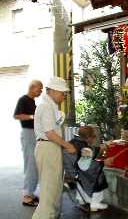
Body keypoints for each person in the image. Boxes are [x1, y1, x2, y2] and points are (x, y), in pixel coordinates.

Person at [32, 77, 76, 219]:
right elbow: (49, 133)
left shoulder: (50, 106)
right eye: (62, 93)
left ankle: (51, 215)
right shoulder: (45, 107)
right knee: (49, 189)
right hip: (47, 147)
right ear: (53, 91)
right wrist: (67, 145)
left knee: (55, 187)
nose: (64, 96)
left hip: (51, 148)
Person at [63, 126, 109, 212]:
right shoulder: (85, 148)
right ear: (88, 138)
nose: (93, 140)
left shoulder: (72, 142)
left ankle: (82, 199)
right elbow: (87, 167)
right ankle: (95, 203)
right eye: (93, 137)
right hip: (78, 174)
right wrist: (103, 162)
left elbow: (83, 160)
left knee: (86, 172)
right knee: (99, 174)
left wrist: (99, 150)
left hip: (69, 173)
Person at [14, 80, 43, 207]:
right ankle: (27, 196)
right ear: (32, 88)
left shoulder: (32, 101)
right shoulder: (23, 100)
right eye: (39, 89)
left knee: (34, 164)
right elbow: (17, 116)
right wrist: (33, 117)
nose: (41, 91)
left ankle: (30, 193)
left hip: (34, 134)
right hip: (28, 133)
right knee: (31, 164)